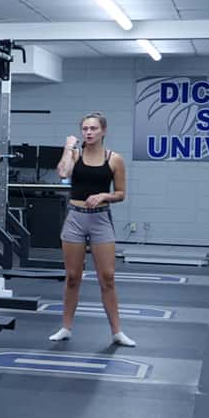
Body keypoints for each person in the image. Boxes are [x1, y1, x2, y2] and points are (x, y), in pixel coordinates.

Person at [50, 112, 135, 347]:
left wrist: (103, 195)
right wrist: (68, 148)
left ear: (103, 131)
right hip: (76, 218)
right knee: (73, 277)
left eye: (93, 128)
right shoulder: (75, 155)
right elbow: (63, 173)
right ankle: (66, 327)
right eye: (85, 128)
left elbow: (121, 194)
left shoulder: (114, 159)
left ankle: (117, 332)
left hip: (100, 220)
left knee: (107, 278)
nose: (88, 132)